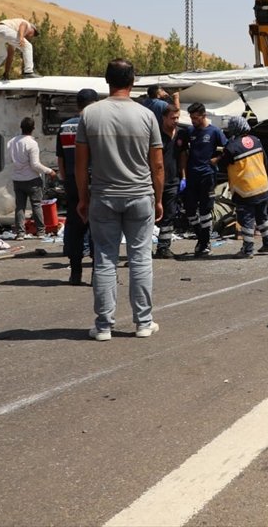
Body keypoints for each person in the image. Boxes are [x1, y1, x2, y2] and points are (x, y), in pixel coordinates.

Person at [75, 59, 164, 341]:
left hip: (104, 196)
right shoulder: (147, 115)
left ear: (106, 80)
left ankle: (103, 326)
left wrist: (82, 198)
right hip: (140, 195)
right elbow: (158, 165)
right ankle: (143, 323)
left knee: (104, 260)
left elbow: (80, 165)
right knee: (140, 258)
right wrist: (158, 198)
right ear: (133, 81)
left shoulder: (89, 115)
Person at [57, 88, 100, 285]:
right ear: (95, 104)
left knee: (75, 227)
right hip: (94, 181)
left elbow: (61, 160)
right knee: (97, 227)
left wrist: (66, 181)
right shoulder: (96, 124)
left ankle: (75, 273)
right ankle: (97, 274)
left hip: (72, 182)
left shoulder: (64, 127)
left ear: (78, 104)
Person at [219, 116, 268, 258]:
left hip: (245, 190)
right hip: (262, 186)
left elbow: (222, 166)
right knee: (262, 216)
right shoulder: (256, 141)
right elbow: (266, 161)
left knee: (247, 220)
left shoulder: (231, 147)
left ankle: (247, 250)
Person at [182, 102, 227, 258]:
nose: (193, 121)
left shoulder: (215, 132)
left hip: (207, 175)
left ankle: (205, 243)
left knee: (205, 211)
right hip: (191, 176)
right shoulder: (190, 131)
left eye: (195, 118)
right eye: (191, 118)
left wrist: (216, 159)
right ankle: (201, 239)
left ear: (203, 115)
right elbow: (182, 151)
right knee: (189, 210)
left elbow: (227, 150)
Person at [7, 116, 57, 240]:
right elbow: (35, 165)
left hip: (17, 179)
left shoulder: (11, 142)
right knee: (36, 205)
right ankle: (40, 231)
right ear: (33, 128)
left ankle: (20, 233)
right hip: (32, 180)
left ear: (21, 127)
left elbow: (11, 160)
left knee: (20, 206)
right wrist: (49, 171)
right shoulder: (32, 143)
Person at [154, 103, 185, 259]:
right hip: (155, 183)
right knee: (150, 217)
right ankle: (143, 251)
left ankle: (163, 247)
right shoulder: (156, 136)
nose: (176, 121)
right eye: (173, 118)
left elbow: (182, 156)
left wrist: (183, 176)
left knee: (170, 215)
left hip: (173, 181)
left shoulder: (180, 135)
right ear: (164, 118)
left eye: (177, 117)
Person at [0, 18, 39, 82]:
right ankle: (28, 72)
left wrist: (6, 73)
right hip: (3, 29)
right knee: (28, 46)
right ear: (32, 29)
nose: (31, 37)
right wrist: (21, 37)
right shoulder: (27, 25)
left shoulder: (13, 35)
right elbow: (23, 25)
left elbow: (10, 55)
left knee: (2, 55)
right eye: (33, 34)